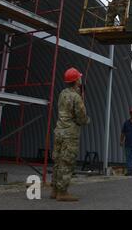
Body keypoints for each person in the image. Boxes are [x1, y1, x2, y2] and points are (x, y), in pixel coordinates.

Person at [51, 67, 90, 202]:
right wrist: (87, 120)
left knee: (57, 161)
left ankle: (54, 190)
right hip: (69, 134)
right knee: (67, 162)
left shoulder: (62, 93)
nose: (80, 78)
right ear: (76, 80)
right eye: (79, 77)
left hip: (59, 132)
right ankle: (63, 192)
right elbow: (81, 118)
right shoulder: (76, 97)